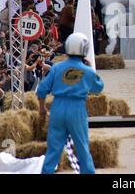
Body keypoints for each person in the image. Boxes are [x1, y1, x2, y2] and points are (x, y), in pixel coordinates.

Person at [37, 33, 104, 174]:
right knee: (82, 147)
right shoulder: (86, 71)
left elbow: (42, 89)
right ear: (84, 50)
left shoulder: (56, 68)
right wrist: (91, 68)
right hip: (77, 108)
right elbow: (98, 88)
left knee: (53, 149)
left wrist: (42, 108)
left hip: (58, 107)